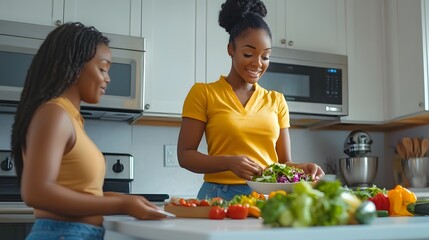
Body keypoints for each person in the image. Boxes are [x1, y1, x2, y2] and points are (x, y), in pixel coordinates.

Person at [10, 22, 167, 240]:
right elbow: (36, 192)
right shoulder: (54, 114)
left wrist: (131, 200)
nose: (107, 78)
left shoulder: (71, 118)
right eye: (102, 68)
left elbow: (81, 192)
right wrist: (121, 203)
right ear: (73, 65)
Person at [177, 0, 325, 201]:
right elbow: (185, 155)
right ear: (231, 49)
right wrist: (228, 163)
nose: (257, 64)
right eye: (248, 54)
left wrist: (301, 168)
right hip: (219, 196)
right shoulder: (203, 93)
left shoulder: (277, 100)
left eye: (265, 56)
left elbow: (283, 162)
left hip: (267, 198)